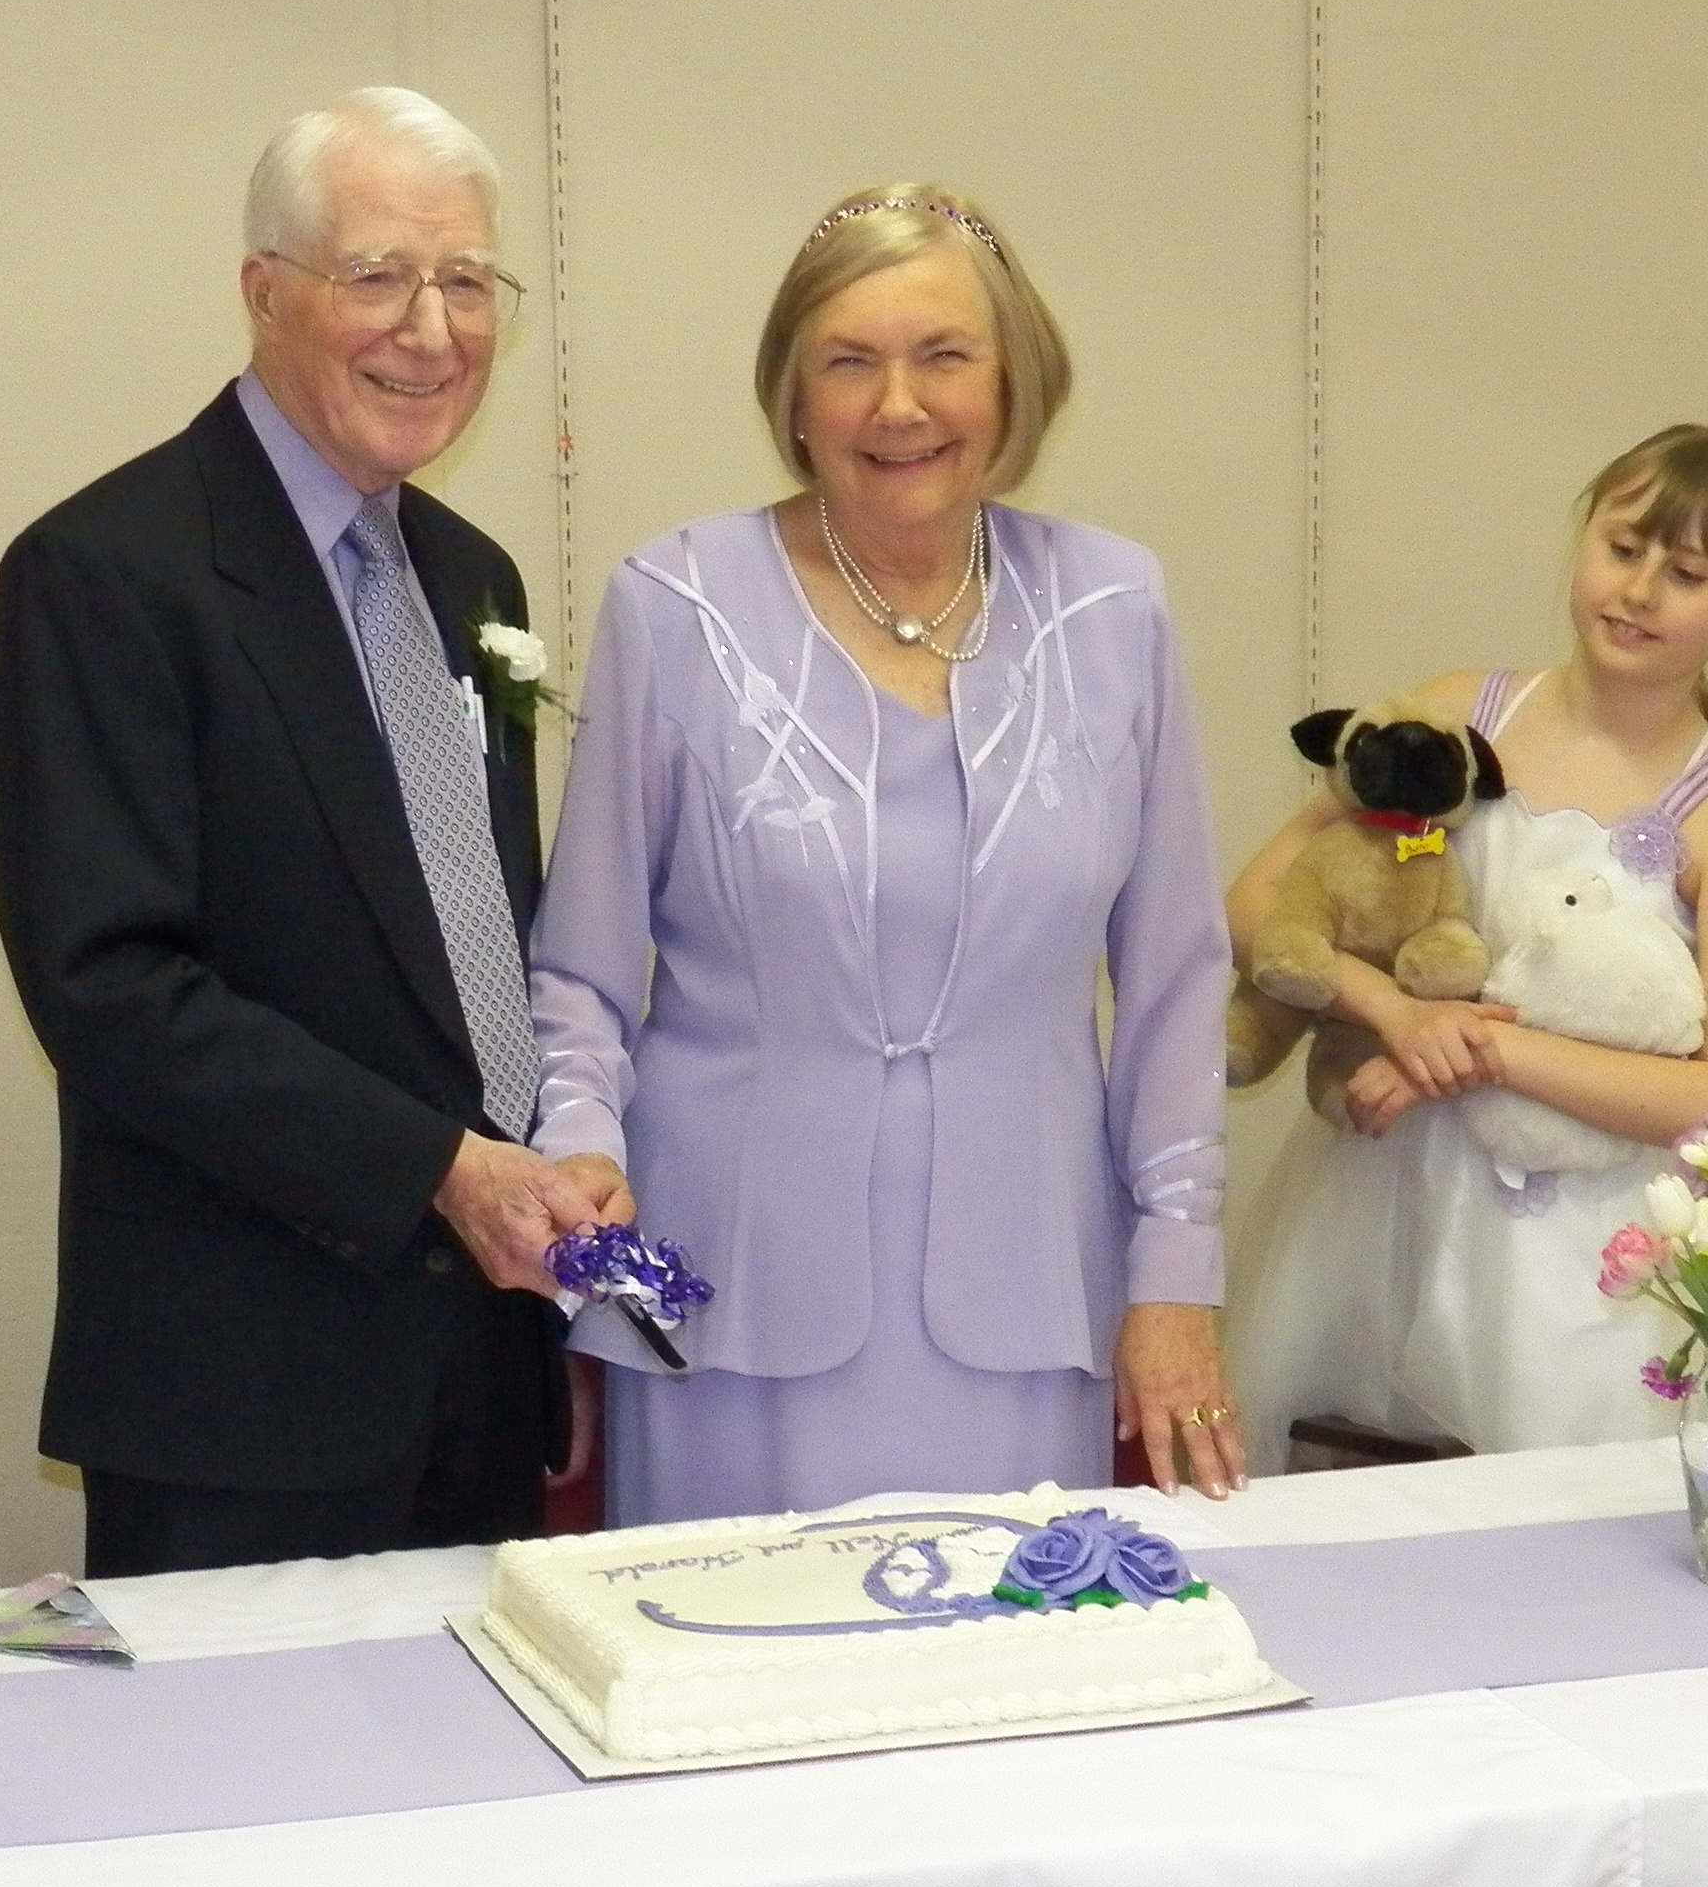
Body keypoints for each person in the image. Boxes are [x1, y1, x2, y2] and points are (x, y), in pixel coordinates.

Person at [524, 183, 1242, 1526]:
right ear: (793, 396)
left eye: (943, 356)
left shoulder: (1115, 605)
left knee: (1003, 1646)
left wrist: (1176, 1272)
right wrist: (579, 1171)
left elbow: (1176, 980)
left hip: (1029, 1301)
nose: (898, 407)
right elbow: (580, 976)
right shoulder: (675, 605)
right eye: (849, 362)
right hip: (731, 1304)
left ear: (1013, 382)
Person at [0, 88, 603, 1574]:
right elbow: (111, 989)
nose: (431, 331)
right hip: (242, 1400)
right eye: (378, 275)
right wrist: (437, 1169)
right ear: (265, 293)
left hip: (482, 1369)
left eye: (468, 283)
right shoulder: (108, 575)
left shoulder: (474, 580)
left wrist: (550, 1209)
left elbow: (474, 955)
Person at [1229, 426, 1708, 1453]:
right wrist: (1392, 1013)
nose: (1639, 591)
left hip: (1577, 1267)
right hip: (1379, 1202)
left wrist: (1482, 1050)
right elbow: (1257, 903)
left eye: (1687, 574)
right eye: (1623, 549)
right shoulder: (1456, 715)